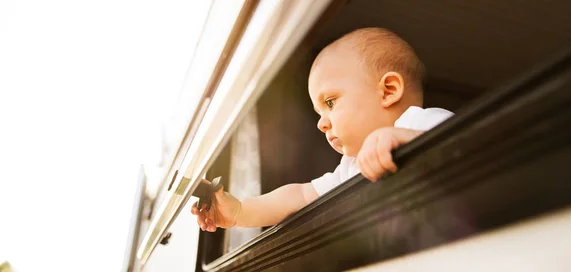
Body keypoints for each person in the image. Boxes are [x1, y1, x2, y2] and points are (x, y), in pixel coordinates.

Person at [191, 27, 453, 232]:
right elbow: (300, 195)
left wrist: (406, 140)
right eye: (319, 113)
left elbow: (465, 143)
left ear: (389, 91)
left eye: (330, 102)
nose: (321, 123)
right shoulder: (351, 167)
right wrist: (239, 212)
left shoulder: (421, 122)